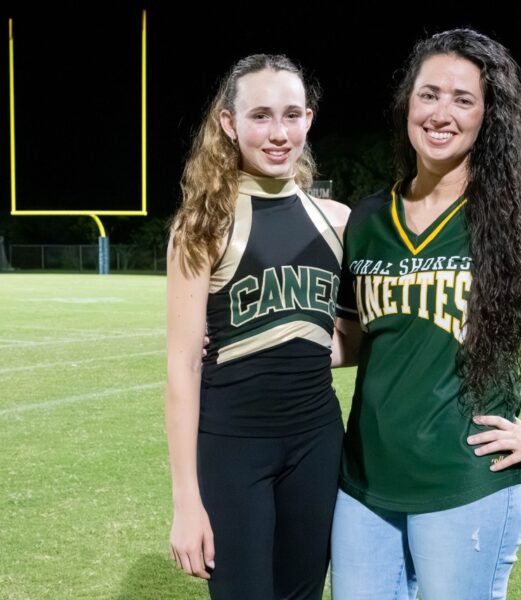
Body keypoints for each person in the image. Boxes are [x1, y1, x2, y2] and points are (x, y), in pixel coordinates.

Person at [328, 29, 521, 600]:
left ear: (487, 116)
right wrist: (263, 335)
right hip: (363, 486)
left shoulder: (517, 215)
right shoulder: (370, 218)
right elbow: (352, 342)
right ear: (408, 102)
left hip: (467, 484)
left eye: (462, 99)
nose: (441, 113)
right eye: (429, 94)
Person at [165, 53, 350, 600]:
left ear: (309, 120)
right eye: (260, 116)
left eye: (291, 115)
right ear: (229, 124)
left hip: (317, 443)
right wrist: (186, 501)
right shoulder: (201, 225)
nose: (278, 133)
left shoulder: (339, 221)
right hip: (232, 447)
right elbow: (181, 364)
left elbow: (352, 336)